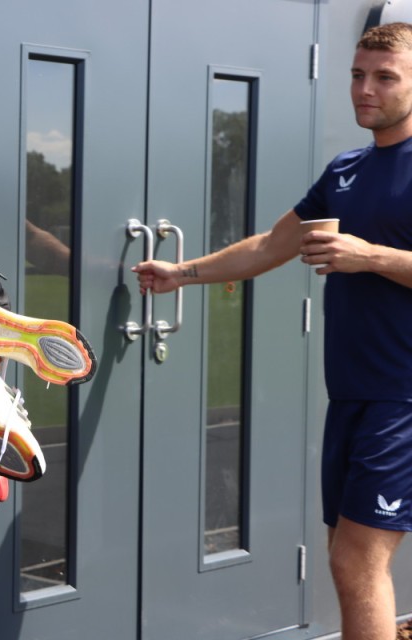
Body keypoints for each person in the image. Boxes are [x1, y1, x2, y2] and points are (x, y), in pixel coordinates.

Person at [133, 21, 412, 640]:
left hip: (404, 399)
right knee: (346, 555)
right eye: (357, 75)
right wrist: (182, 272)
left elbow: (369, 258)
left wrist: (370, 256)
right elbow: (270, 245)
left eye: (385, 77)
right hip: (353, 395)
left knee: (356, 562)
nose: (365, 89)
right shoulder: (346, 169)